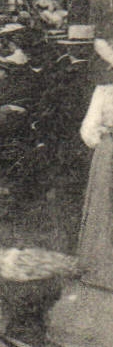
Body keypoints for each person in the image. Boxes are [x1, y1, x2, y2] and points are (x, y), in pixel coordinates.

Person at [78, 77, 113, 291]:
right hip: (110, 153)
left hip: (109, 150)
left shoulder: (106, 92)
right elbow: (88, 131)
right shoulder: (105, 91)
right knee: (106, 206)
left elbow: (89, 132)